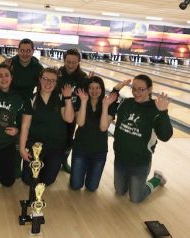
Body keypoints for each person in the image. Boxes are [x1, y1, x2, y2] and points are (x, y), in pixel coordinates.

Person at [104, 74, 173, 203]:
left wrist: (163, 113)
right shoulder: (125, 103)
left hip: (140, 162)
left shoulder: (156, 109)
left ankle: (157, 178)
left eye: (141, 89)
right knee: (120, 191)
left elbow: (165, 136)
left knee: (136, 198)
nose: (136, 92)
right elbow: (110, 105)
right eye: (134, 88)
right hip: (121, 159)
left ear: (149, 89)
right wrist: (116, 90)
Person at [70, 76, 130, 191]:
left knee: (92, 187)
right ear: (87, 89)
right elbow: (80, 123)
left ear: (102, 89)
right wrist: (83, 102)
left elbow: (103, 128)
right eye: (91, 88)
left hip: (99, 151)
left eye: (97, 88)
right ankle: (81, 170)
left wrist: (105, 106)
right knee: (76, 186)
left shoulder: (109, 104)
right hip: (80, 149)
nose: (94, 91)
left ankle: (86, 170)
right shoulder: (81, 100)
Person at [20, 67, 74, 186]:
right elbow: (25, 126)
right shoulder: (31, 99)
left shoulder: (60, 98)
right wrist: (22, 148)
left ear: (56, 83)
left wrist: (68, 98)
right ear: (40, 79)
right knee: (28, 180)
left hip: (55, 146)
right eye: (45, 79)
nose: (48, 83)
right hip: (35, 146)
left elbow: (69, 119)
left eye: (52, 80)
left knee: (47, 181)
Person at [4, 38, 44, 178]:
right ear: (18, 50)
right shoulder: (9, 63)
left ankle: (19, 162)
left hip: (27, 104)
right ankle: (12, 164)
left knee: (23, 133)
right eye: (22, 50)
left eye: (28, 51)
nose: (25, 53)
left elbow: (45, 85)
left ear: (33, 51)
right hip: (10, 103)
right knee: (10, 132)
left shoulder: (37, 67)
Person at [58, 48, 92, 173]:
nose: (71, 64)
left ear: (79, 61)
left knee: (68, 138)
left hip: (72, 113)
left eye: (74, 62)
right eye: (68, 62)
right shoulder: (58, 73)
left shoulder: (83, 77)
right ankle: (53, 160)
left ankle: (64, 161)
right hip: (57, 111)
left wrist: (90, 83)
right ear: (64, 60)